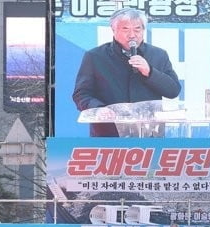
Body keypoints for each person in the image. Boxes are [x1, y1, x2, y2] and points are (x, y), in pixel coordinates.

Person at [72, 8, 182, 137]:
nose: (132, 35)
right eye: (125, 29)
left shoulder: (158, 55)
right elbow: (81, 94)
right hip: (109, 133)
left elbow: (173, 90)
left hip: (149, 134)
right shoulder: (95, 56)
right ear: (113, 30)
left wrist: (150, 72)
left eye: (137, 29)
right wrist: (99, 109)